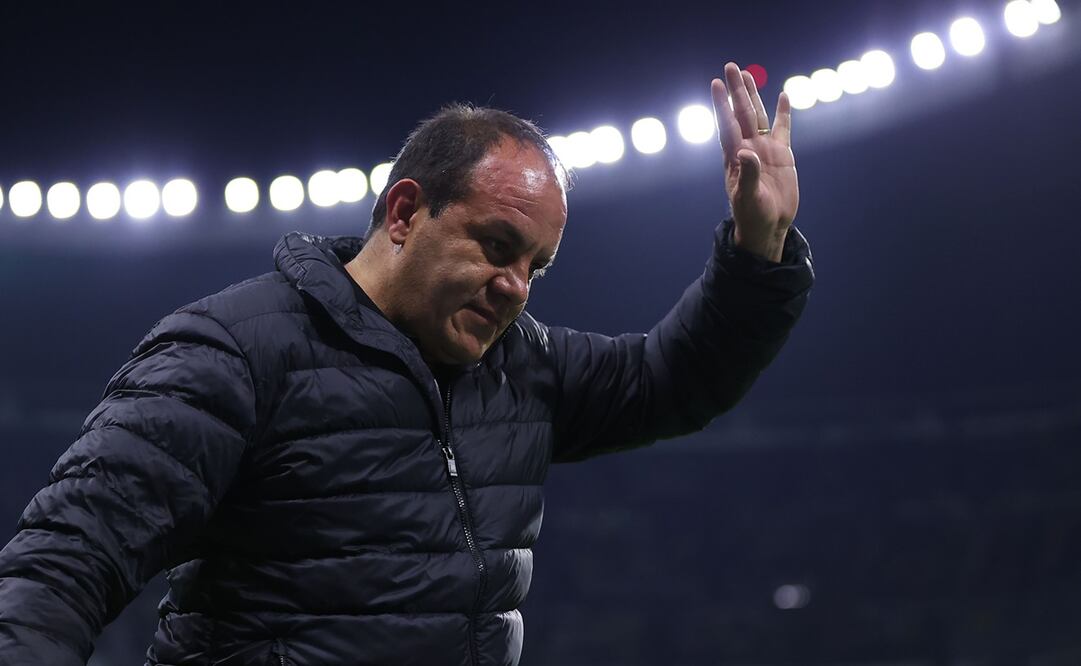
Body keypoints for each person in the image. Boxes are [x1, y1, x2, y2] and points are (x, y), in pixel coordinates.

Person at [0, 63, 814, 665]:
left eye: (535, 266)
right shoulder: (236, 350)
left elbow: (675, 380)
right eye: (496, 245)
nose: (515, 286)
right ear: (403, 212)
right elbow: (63, 565)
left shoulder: (520, 367)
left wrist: (758, 248)